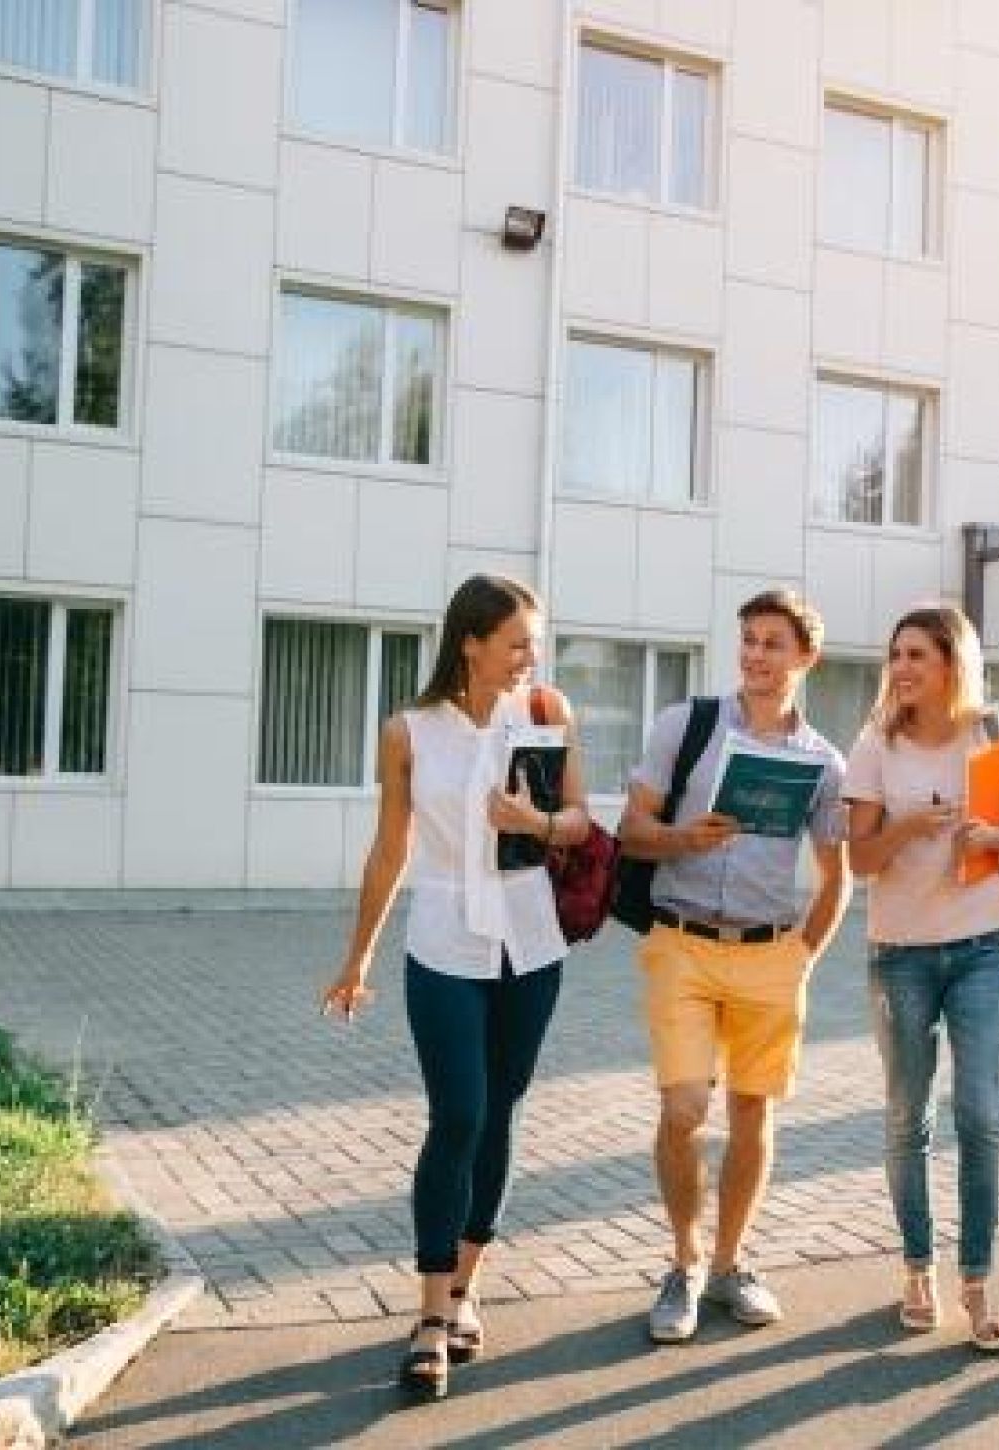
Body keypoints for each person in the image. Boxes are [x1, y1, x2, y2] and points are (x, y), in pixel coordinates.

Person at [321, 573, 586, 1399]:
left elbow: (580, 820)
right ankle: (430, 1315)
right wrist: (357, 956)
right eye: (516, 644)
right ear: (470, 641)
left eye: (535, 645)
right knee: (458, 1114)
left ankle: (467, 1289)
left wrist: (534, 825)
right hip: (442, 942)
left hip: (531, 943)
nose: (528, 659)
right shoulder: (407, 732)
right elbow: (389, 849)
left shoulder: (546, 714)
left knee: (501, 1113)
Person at [617, 589, 851, 1344]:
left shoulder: (822, 762)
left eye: (772, 643)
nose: (754, 654)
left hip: (768, 954)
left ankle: (728, 1263)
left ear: (805, 658)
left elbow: (836, 872)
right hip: (681, 942)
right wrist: (685, 840)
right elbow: (631, 831)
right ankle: (682, 1264)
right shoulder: (685, 726)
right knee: (684, 1109)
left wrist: (803, 957)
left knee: (754, 1111)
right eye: (748, 639)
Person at [843, 604, 999, 1352]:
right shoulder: (874, 746)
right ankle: (918, 1266)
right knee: (906, 1116)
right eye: (896, 655)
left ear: (953, 662)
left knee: (982, 1114)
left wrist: (996, 838)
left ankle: (978, 1279)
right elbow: (858, 860)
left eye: (917, 654)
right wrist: (910, 829)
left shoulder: (991, 734)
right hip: (901, 953)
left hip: (983, 945)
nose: (901, 668)